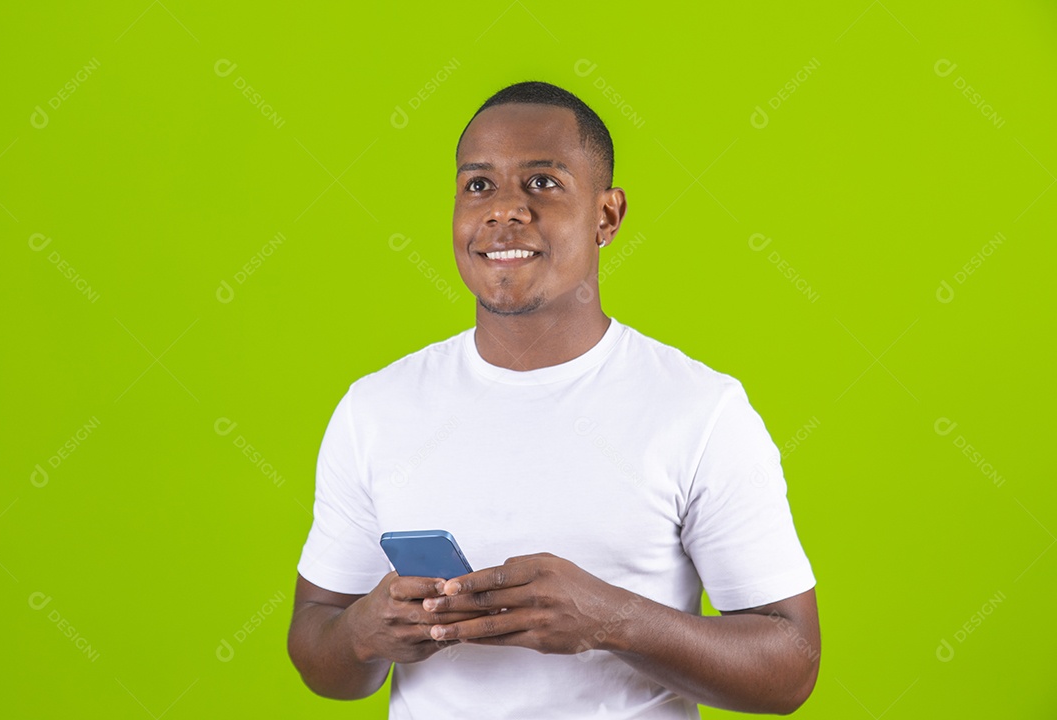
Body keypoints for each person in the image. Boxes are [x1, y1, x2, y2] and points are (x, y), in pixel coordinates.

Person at [287, 81, 820, 718]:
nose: (504, 211)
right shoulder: (375, 409)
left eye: (542, 182)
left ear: (607, 216)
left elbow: (791, 669)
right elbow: (320, 649)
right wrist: (360, 635)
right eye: (478, 185)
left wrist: (614, 621)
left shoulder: (702, 411)